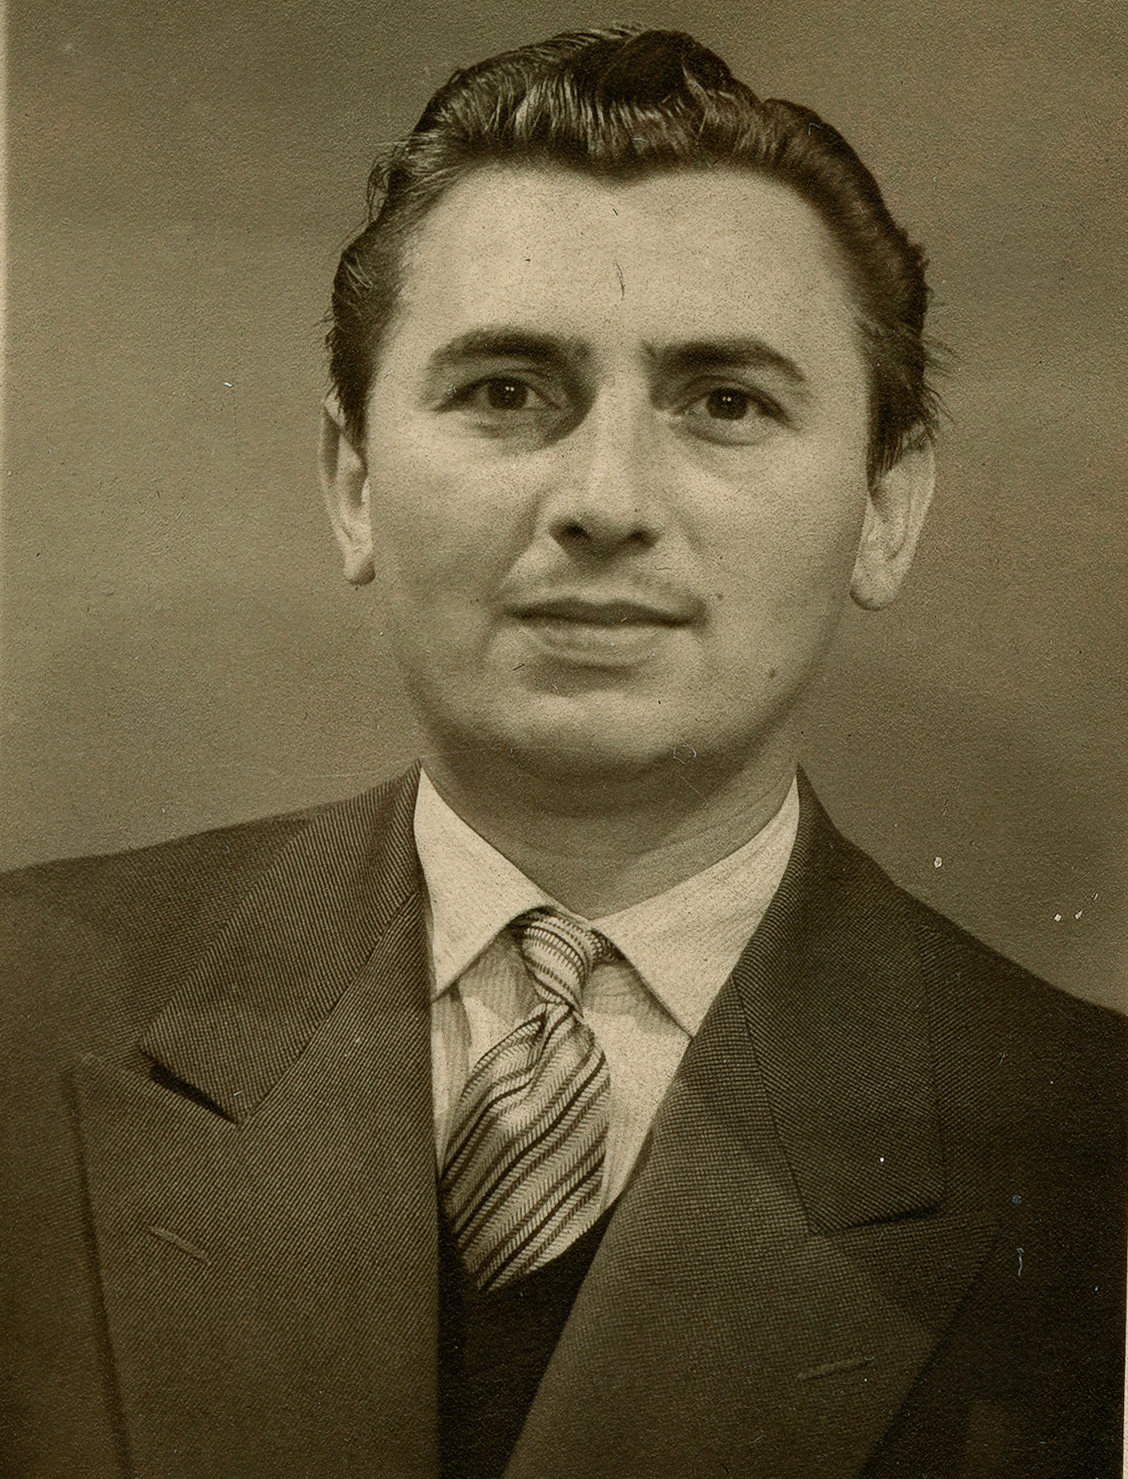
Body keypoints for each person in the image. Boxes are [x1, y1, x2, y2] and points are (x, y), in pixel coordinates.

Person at [1, 25, 1123, 1479]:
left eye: (726, 402)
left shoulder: (1088, 1144)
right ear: (353, 483)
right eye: (507, 392)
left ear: (885, 511)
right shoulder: (23, 1013)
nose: (606, 500)